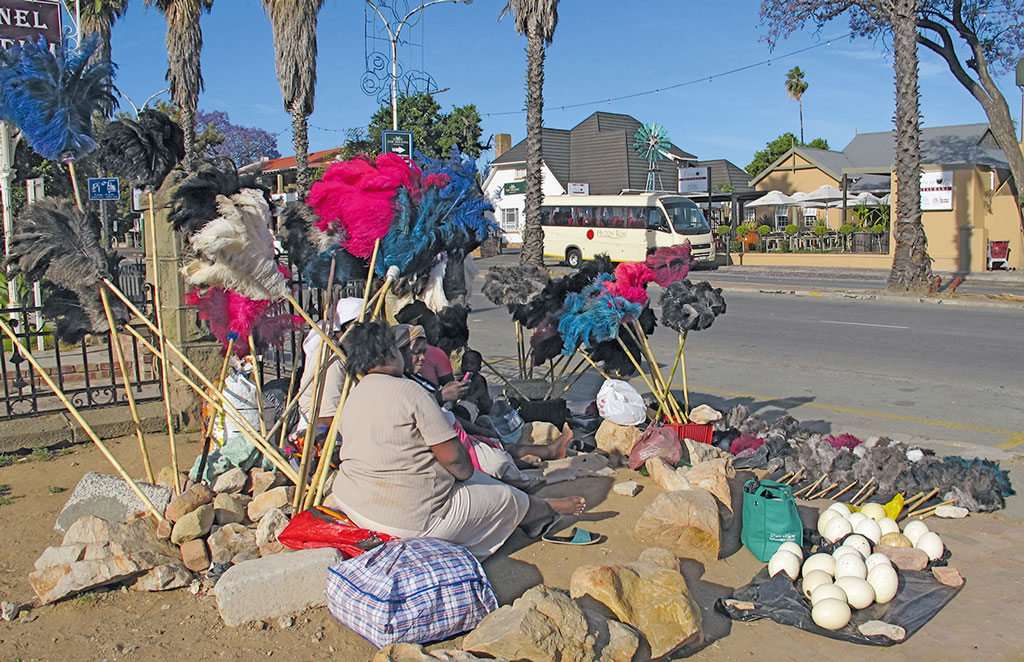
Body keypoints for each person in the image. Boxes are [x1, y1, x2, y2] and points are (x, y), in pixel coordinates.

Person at [331, 322, 587, 559]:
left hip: (355, 503)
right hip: (407, 520)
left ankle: (534, 511)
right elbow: (458, 463)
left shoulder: (355, 393)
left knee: (484, 481)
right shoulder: (410, 392)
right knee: (503, 498)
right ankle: (546, 509)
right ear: (390, 352)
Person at [294, 298, 363, 433]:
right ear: (341, 330)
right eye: (359, 327)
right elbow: (326, 419)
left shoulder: (353, 354)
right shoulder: (333, 359)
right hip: (322, 436)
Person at [394, 301, 453, 388]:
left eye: (438, 326)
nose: (438, 330)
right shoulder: (437, 353)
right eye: (433, 327)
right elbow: (449, 383)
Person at [451, 349, 492, 420]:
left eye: (472, 364)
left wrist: (473, 397)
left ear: (479, 368)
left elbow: (481, 390)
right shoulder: (461, 380)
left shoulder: (479, 379)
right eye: (465, 364)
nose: (468, 367)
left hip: (482, 405)